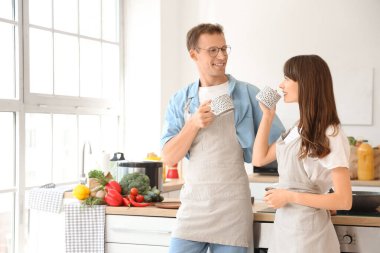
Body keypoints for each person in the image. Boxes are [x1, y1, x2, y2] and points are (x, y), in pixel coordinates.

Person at [160, 23, 284, 253]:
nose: (222, 56)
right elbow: (169, 157)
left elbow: (282, 145)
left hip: (232, 207)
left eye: (224, 48)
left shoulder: (247, 93)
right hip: (193, 205)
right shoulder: (181, 100)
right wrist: (193, 124)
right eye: (213, 50)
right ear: (193, 54)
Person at [253, 55, 352, 253]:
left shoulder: (330, 133)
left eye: (288, 78)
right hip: (285, 230)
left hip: (310, 236)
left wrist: (289, 195)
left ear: (307, 83)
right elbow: (259, 158)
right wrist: (267, 116)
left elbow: (344, 200)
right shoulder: (297, 128)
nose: (281, 84)